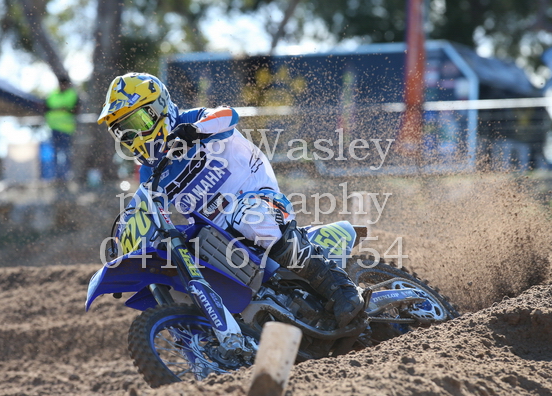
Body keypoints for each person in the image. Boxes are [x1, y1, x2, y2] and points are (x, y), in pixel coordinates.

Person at [97, 72, 364, 328]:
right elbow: (145, 209)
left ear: (158, 109)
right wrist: (123, 246)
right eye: (124, 132)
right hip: (218, 233)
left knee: (250, 217)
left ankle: (341, 288)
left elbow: (228, 115)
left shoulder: (193, 120)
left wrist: (194, 130)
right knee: (179, 258)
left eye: (137, 123)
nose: (132, 136)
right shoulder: (150, 172)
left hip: (259, 199)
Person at [45, 77, 80, 182]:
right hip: (54, 128)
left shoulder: (72, 95)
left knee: (66, 153)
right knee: (55, 153)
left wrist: (61, 109)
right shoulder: (52, 94)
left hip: (67, 129)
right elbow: (46, 108)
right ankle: (57, 176)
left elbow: (76, 109)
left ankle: (66, 175)